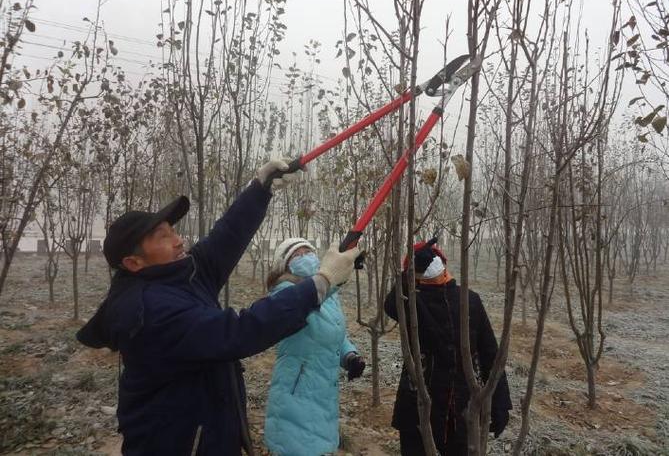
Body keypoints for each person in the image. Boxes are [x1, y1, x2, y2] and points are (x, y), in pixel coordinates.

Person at [76, 160, 361, 456]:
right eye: (163, 237)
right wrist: (322, 281)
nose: (179, 240)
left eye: (172, 230)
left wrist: (259, 190)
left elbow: (224, 240)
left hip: (208, 432)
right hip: (179, 444)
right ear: (133, 263)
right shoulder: (148, 312)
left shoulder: (176, 274)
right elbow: (239, 331)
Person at [384, 238, 512, 456]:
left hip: (461, 407)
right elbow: (390, 305)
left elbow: (490, 353)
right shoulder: (412, 303)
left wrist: (500, 401)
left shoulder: (469, 300)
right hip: (418, 407)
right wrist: (407, 277)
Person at [263, 238, 366, 456]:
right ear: (285, 265)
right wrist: (335, 278)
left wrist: (350, 356)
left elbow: (333, 330)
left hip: (324, 391)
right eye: (296, 255)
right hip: (297, 391)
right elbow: (305, 303)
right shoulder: (284, 292)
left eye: (308, 252)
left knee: (319, 443)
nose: (305, 258)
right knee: (298, 445)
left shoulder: (324, 294)